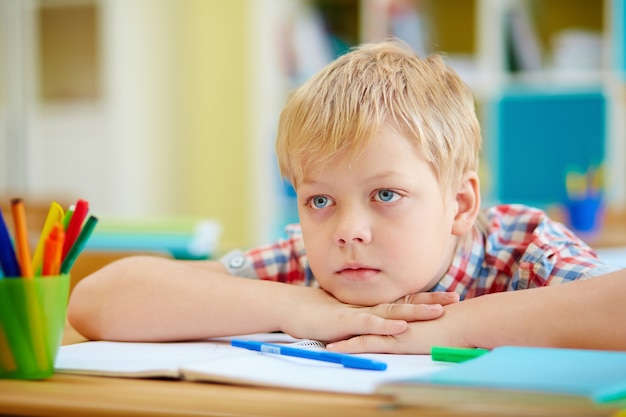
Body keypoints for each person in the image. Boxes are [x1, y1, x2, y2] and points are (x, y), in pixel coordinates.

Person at [68, 39, 626, 354]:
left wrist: (442, 332)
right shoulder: (308, 265)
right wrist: (299, 307)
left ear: (459, 205)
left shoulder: (522, 248)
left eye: (385, 193)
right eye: (319, 200)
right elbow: (97, 301)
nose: (347, 229)